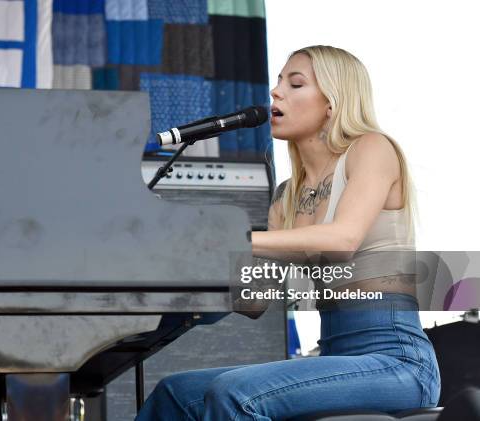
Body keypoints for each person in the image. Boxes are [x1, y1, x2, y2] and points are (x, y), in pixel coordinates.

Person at [135, 45, 440, 420]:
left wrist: (234, 239)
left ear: (332, 102)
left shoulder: (371, 148)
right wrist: (178, 272)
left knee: (234, 394)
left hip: (398, 362)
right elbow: (255, 300)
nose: (275, 92)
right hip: (336, 360)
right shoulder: (286, 196)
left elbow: (342, 240)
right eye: (278, 82)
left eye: (295, 84)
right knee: (175, 393)